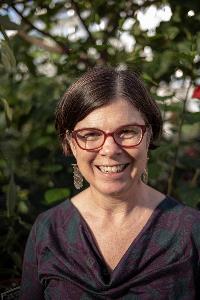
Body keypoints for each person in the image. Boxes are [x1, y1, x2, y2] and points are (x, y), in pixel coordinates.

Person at [20, 66, 200, 299]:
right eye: (90, 134)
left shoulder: (192, 232)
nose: (110, 150)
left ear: (149, 136)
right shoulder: (48, 231)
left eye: (126, 131)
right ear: (71, 144)